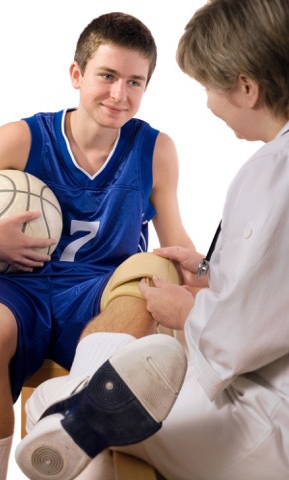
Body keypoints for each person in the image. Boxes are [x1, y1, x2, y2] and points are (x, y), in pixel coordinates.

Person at [0, 11, 193, 480]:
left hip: (103, 292)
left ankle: (78, 412)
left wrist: (219, 285)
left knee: (151, 270)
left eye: (135, 82)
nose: (119, 94)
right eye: (107, 76)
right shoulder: (24, 137)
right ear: (77, 74)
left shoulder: (155, 150)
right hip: (21, 287)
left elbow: (177, 246)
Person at [128, 0, 289, 478]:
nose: (206, 103)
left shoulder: (273, 171)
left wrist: (184, 309)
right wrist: (209, 269)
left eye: (206, 86)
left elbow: (237, 337)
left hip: (268, 420)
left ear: (245, 87)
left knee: (72, 408)